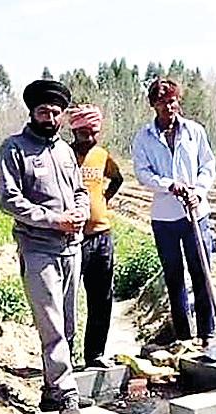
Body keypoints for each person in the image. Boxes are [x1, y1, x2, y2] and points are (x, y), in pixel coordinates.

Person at [0, 79, 92, 414]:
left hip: (72, 247)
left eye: (55, 112)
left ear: (63, 115)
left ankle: (52, 392)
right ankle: (67, 394)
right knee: (50, 323)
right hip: (38, 247)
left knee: (66, 321)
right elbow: (8, 199)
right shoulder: (14, 148)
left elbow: (80, 189)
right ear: (32, 112)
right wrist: (54, 220)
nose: (49, 117)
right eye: (43, 111)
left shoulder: (65, 150)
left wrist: (80, 210)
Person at [131, 78, 216, 359]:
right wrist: (168, 185)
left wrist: (198, 190)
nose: (168, 107)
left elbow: (208, 165)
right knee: (173, 276)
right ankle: (183, 334)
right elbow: (142, 173)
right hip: (164, 216)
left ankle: (208, 333)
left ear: (177, 101)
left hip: (196, 213)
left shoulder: (194, 132)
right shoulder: (144, 137)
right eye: (162, 103)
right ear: (153, 105)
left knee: (201, 273)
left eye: (171, 101)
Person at [67, 104, 124, 369]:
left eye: (93, 133)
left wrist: (102, 199)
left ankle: (95, 355)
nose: (88, 138)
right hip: (72, 238)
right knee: (67, 300)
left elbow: (117, 178)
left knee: (101, 298)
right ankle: (64, 359)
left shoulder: (101, 156)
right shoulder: (62, 155)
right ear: (74, 130)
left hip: (102, 236)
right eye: (83, 133)